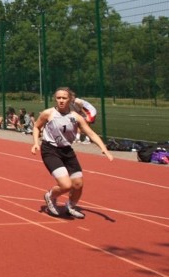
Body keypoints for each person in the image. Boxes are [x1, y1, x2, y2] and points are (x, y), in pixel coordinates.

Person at [31, 87, 114, 218]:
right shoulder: (48, 113)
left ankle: (70, 206)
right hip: (50, 150)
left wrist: (103, 148)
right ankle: (50, 196)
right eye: (58, 98)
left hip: (67, 151)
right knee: (65, 185)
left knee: (78, 184)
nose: (61, 101)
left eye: (64, 98)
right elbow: (36, 126)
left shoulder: (76, 117)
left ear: (70, 99)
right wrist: (36, 143)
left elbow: (91, 133)